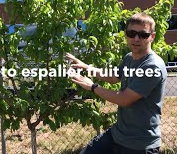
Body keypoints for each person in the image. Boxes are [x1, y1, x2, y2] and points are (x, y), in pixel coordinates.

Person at [66, 12, 167, 154]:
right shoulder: (129, 58)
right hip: (118, 134)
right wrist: (87, 67)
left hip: (140, 144)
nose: (136, 38)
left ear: (152, 36)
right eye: (132, 33)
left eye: (143, 35)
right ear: (126, 34)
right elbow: (114, 77)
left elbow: (124, 99)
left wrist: (92, 86)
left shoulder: (152, 66)